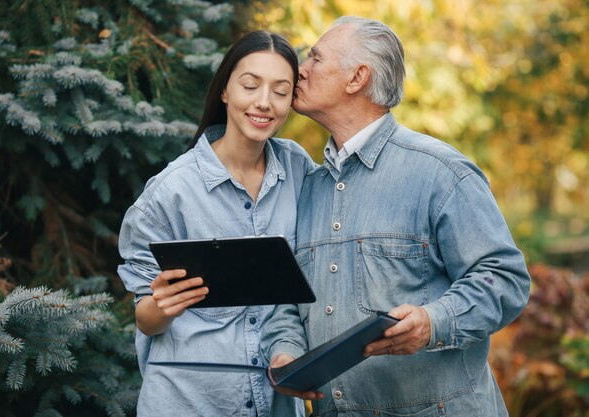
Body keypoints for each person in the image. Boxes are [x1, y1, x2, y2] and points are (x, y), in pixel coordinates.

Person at [261, 16, 531, 416]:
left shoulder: (440, 172)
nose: (300, 69)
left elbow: (505, 279)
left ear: (357, 78)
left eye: (315, 58)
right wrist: (286, 352)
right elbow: (289, 299)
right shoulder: (307, 190)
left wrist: (432, 321)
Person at [117, 30, 314, 416]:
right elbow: (146, 320)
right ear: (225, 90)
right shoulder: (170, 192)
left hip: (276, 401)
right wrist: (162, 305)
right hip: (189, 401)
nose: (263, 102)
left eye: (280, 90)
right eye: (250, 85)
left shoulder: (298, 169)